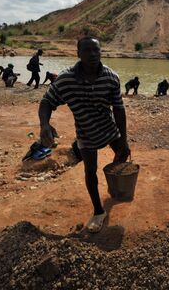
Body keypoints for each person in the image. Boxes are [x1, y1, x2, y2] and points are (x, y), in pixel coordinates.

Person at [38, 37, 130, 233]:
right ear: (78, 53)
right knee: (90, 171)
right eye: (87, 50)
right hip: (86, 133)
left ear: (101, 52)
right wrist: (44, 124)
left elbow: (119, 109)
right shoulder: (66, 80)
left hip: (109, 128)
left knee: (122, 154)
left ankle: (114, 185)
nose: (93, 54)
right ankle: (98, 211)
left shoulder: (111, 77)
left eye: (96, 50)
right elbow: (46, 102)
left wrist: (124, 138)